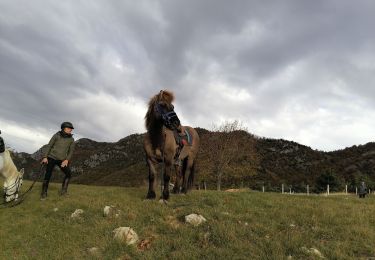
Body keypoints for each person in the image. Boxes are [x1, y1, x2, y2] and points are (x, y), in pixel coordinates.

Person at [40, 122, 75, 200]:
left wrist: (66, 160)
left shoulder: (71, 139)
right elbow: (49, 146)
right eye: (69, 128)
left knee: (68, 174)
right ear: (64, 128)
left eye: (71, 129)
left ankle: (64, 191)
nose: (71, 130)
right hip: (51, 158)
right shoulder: (56, 136)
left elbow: (71, 151)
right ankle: (44, 193)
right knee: (48, 175)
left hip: (62, 160)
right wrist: (45, 157)